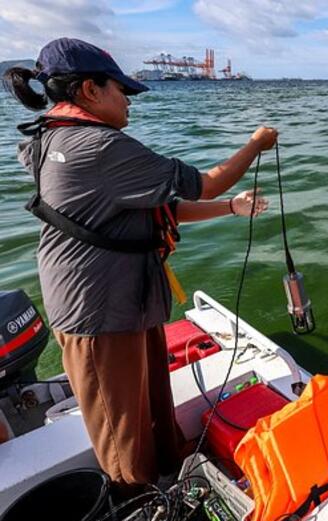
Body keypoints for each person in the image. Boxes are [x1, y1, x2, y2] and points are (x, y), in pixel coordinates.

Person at [4, 37, 277, 496]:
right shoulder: (98, 147)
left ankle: (170, 479)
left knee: (153, 410)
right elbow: (204, 185)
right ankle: (144, 509)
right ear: (90, 90)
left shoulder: (53, 137)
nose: (129, 102)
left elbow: (155, 207)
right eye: (121, 91)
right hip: (98, 315)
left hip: (125, 303)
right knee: (123, 436)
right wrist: (256, 143)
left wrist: (233, 208)